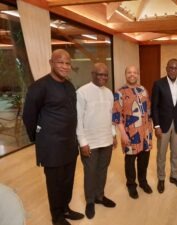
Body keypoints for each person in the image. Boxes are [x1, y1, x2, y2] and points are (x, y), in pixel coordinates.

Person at [22, 49, 84, 225]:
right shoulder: (39, 86)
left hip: (69, 143)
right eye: (60, 62)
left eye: (67, 63)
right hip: (51, 145)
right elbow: (29, 116)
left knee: (68, 179)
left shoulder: (69, 85)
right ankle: (56, 217)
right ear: (51, 63)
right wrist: (38, 138)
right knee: (55, 182)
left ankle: (65, 209)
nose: (64, 66)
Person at [76, 63, 117, 219]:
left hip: (106, 139)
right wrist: (83, 142)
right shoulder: (82, 92)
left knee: (103, 169)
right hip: (90, 142)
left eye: (105, 75)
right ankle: (90, 201)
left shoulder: (109, 93)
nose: (103, 77)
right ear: (92, 74)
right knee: (90, 172)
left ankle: (100, 196)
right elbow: (78, 119)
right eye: (99, 74)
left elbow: (110, 116)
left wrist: (113, 134)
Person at [112, 65, 153, 199]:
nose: (132, 74)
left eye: (134, 72)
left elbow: (148, 110)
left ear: (138, 74)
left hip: (145, 132)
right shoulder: (119, 93)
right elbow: (117, 116)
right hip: (130, 132)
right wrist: (122, 134)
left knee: (144, 159)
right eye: (129, 72)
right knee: (130, 161)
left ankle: (143, 182)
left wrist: (150, 128)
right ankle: (131, 185)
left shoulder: (143, 90)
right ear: (126, 74)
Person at [151, 58, 177, 193]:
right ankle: (161, 178)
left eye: (176, 68)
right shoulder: (158, 84)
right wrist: (156, 126)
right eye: (171, 68)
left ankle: (174, 176)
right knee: (161, 153)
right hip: (163, 125)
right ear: (166, 68)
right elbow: (154, 107)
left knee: (176, 153)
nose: (173, 70)